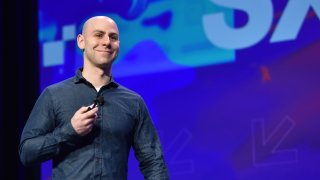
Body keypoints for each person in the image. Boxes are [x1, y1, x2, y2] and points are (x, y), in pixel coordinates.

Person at [19, 16, 169, 180]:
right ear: (81, 41)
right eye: (98, 35)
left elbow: (153, 162)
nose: (107, 42)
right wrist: (70, 131)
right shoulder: (53, 95)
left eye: (113, 37)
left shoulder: (133, 102)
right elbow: (27, 153)